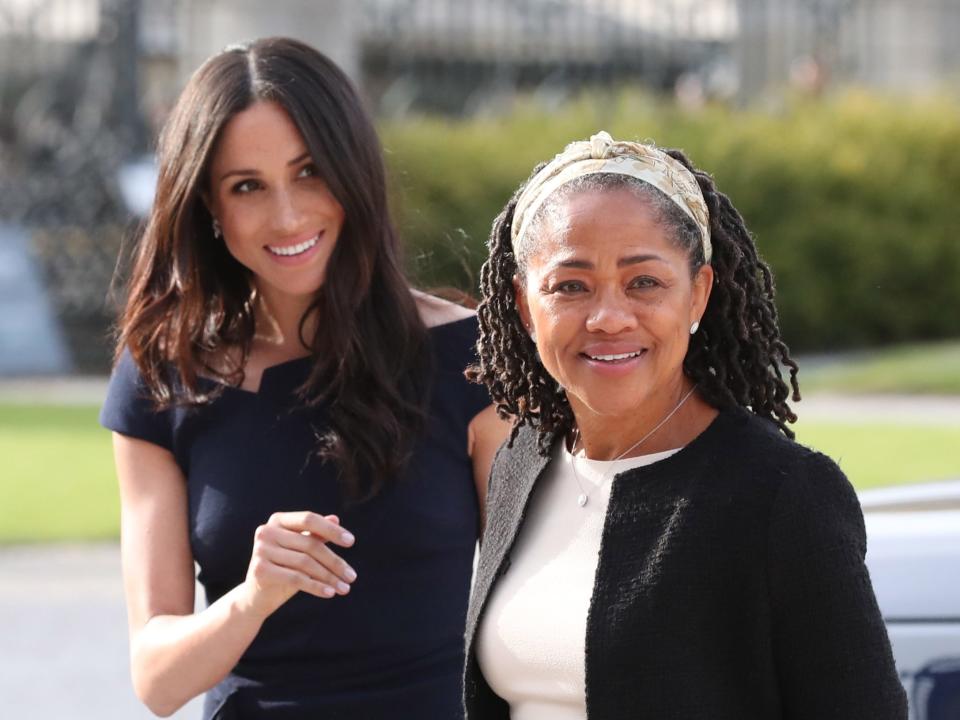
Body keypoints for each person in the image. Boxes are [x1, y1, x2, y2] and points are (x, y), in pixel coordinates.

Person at [99, 37, 508, 719]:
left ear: (354, 173)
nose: (287, 216)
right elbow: (158, 680)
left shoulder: (472, 360)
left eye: (310, 171)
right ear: (209, 206)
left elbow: (536, 619)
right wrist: (252, 597)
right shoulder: (163, 377)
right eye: (247, 186)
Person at [463, 131, 907, 719]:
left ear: (698, 295)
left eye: (644, 282)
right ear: (524, 306)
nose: (609, 317)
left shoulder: (780, 495)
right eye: (570, 286)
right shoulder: (521, 462)